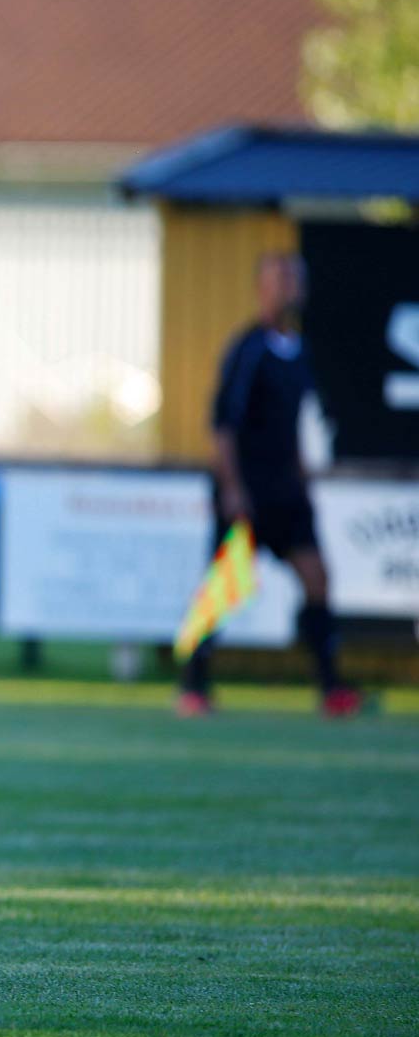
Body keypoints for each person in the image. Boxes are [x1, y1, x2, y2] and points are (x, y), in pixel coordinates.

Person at [178, 252, 362, 719]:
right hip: (247, 491)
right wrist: (233, 488)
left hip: (286, 492)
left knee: (317, 578)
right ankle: (193, 688)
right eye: (280, 278)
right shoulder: (249, 348)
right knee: (223, 589)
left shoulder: (299, 350)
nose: (290, 286)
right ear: (261, 287)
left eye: (296, 278)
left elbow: (295, 423)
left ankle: (330, 689)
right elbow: (223, 425)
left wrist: (301, 473)